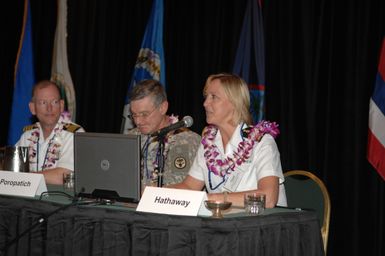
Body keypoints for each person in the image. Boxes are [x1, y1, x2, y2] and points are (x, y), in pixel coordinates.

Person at [169, 73, 287, 208]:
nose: (205, 103)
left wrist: (216, 198)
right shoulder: (208, 144)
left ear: (234, 102)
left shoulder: (262, 142)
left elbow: (269, 198)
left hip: (263, 224)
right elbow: (189, 186)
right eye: (206, 97)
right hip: (225, 224)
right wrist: (156, 193)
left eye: (214, 97)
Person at [124, 79, 201, 187]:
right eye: (134, 115)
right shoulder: (131, 137)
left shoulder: (184, 139)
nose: (138, 121)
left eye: (144, 114)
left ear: (163, 108)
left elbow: (178, 187)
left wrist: (141, 195)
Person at [16, 80, 84, 185]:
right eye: (43, 102)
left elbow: (64, 176)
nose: (49, 108)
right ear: (33, 108)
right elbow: (13, 169)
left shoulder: (75, 134)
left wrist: (26, 177)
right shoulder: (27, 136)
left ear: (61, 106)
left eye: (54, 102)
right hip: (28, 199)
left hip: (60, 199)